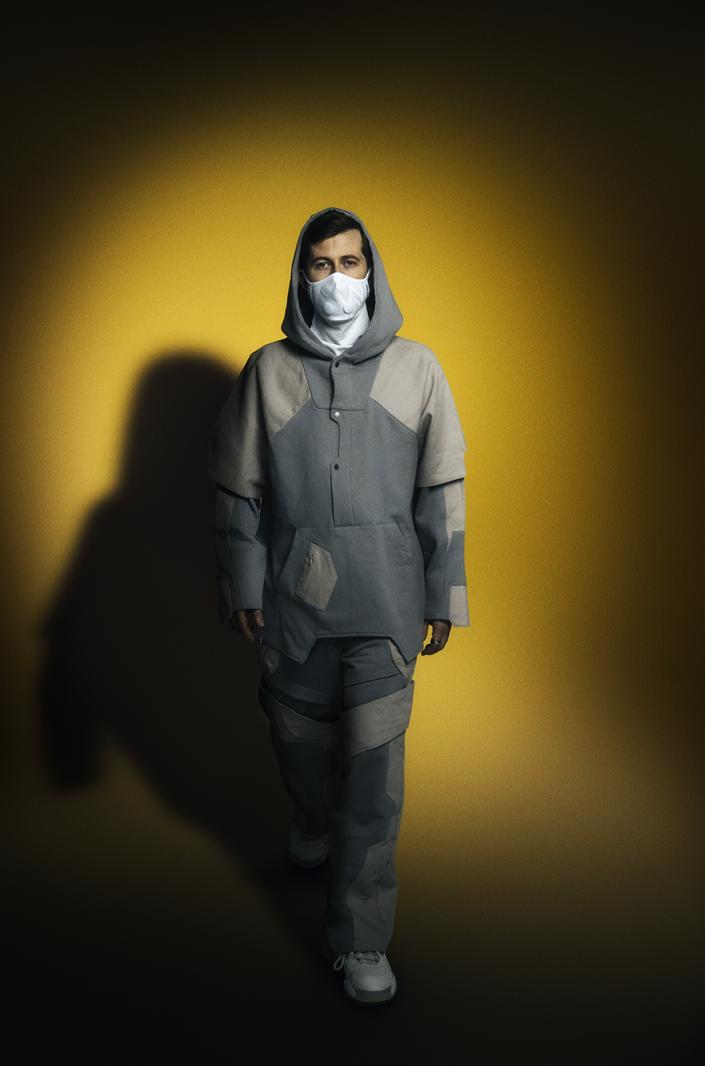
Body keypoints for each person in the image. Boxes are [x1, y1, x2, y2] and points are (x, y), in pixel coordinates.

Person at [208, 206, 469, 1005]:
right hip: (294, 605)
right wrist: (243, 583)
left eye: (350, 263)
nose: (336, 279)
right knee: (298, 744)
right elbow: (237, 489)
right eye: (320, 265)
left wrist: (444, 591)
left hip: (386, 603)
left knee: (373, 777)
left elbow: (442, 489)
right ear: (301, 275)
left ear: (371, 271)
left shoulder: (417, 368)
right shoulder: (267, 371)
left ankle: (360, 941)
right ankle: (311, 820)